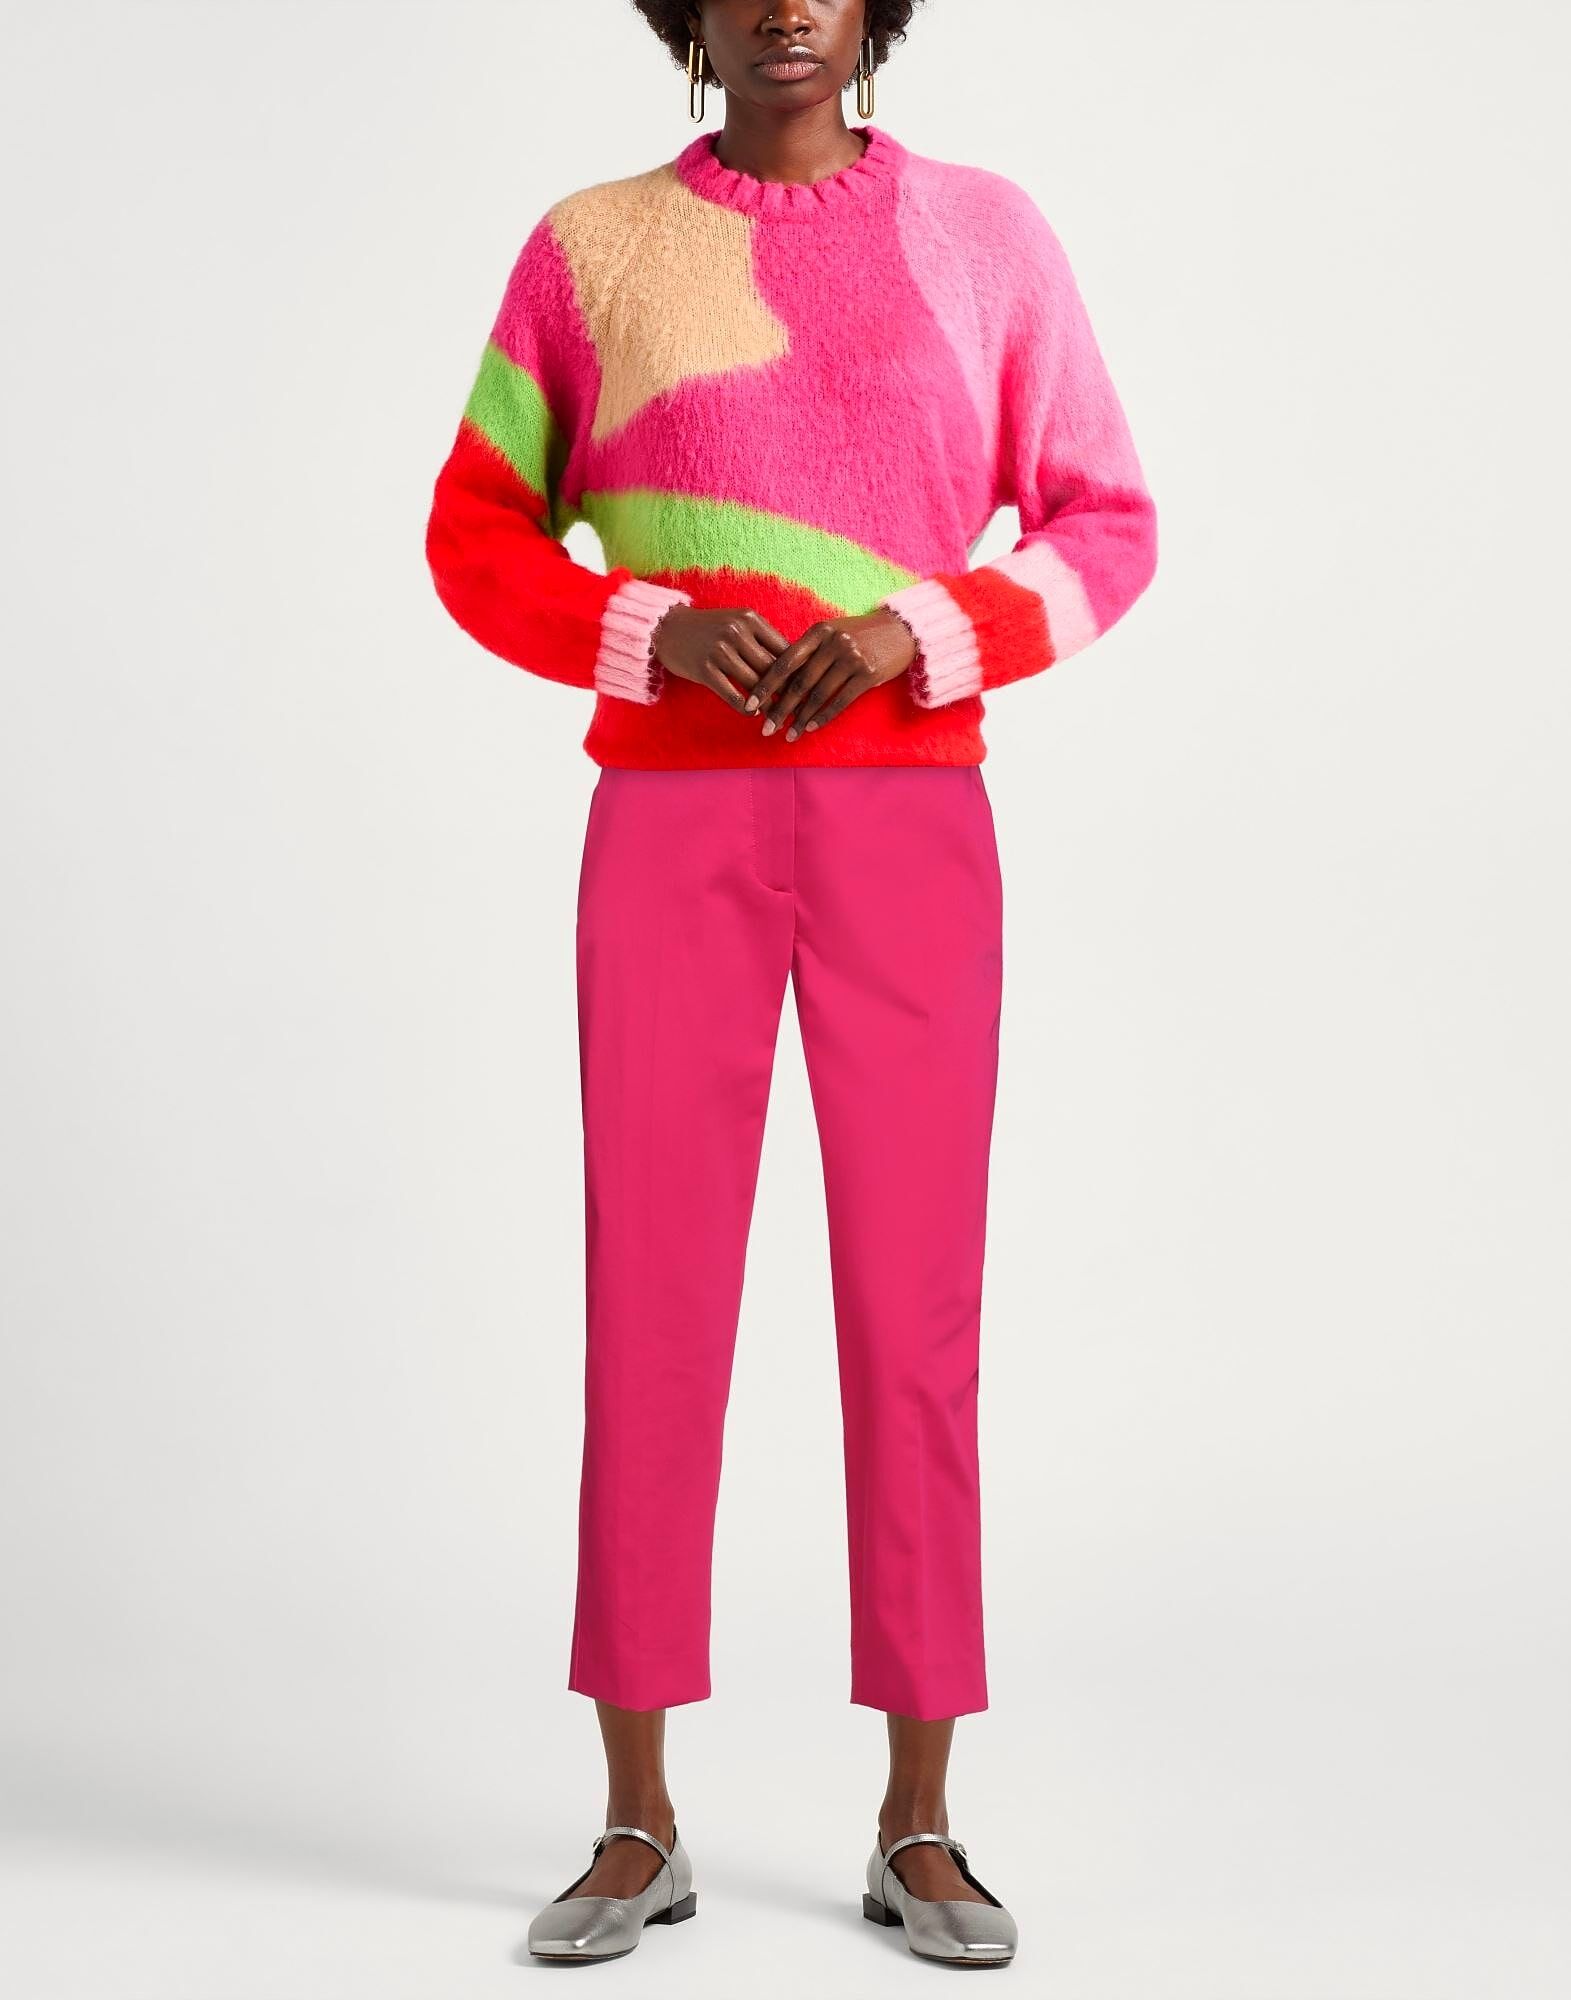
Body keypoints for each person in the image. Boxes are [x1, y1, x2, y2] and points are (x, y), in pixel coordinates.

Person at [423, 0, 1157, 1970]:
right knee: (652, 1297)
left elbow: (1107, 520)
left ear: (876, 7)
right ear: (684, 10)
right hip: (670, 830)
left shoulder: (986, 238)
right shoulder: (592, 249)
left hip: (911, 827)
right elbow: (474, 532)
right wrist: (644, 629)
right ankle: (634, 1818)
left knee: (915, 1314)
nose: (782, 5)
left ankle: (922, 1821)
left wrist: (928, 629)